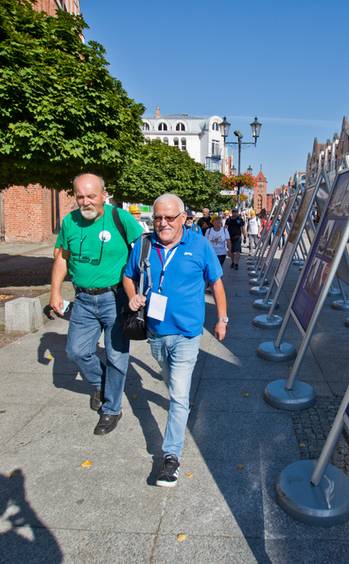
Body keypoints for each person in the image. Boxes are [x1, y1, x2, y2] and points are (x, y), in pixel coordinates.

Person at [122, 194, 228, 487]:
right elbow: (128, 276)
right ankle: (179, 410)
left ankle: (171, 458)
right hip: (155, 332)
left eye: (169, 217)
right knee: (169, 382)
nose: (163, 223)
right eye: (158, 217)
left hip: (187, 334)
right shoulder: (144, 245)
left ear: (183, 218)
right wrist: (133, 297)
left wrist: (222, 319)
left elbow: (216, 283)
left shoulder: (199, 245)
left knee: (179, 395)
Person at [50, 173, 143, 436]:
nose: (86, 202)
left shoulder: (120, 218)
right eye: (80, 196)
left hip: (116, 298)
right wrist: (54, 292)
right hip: (82, 299)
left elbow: (144, 251)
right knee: (76, 352)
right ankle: (103, 385)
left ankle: (111, 409)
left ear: (104, 194)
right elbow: (62, 259)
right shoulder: (69, 221)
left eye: (91, 196)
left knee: (116, 356)